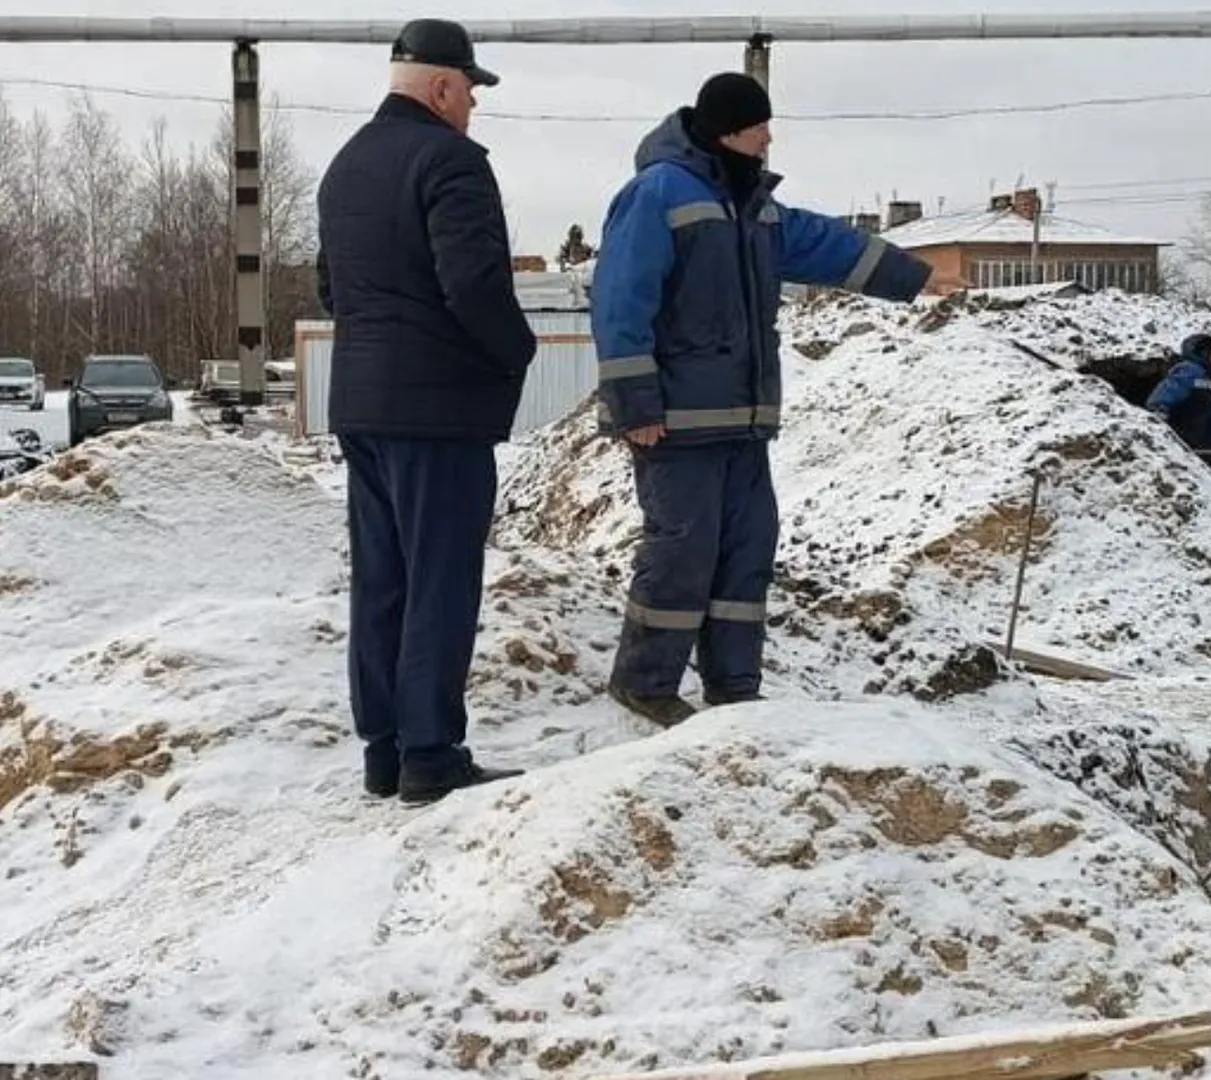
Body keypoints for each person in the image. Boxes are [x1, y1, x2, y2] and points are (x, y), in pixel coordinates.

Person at [592, 72, 968, 727]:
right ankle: (645, 682)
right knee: (683, 551)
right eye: (761, 125)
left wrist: (919, 276)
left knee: (747, 550)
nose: (770, 137)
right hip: (676, 422)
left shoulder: (756, 207)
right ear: (730, 129)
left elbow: (828, 244)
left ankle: (734, 686)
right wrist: (635, 407)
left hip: (743, 420)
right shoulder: (657, 194)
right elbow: (622, 301)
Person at [315, 18, 537, 803]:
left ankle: (385, 750)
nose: (473, 106)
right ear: (442, 86)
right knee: (441, 582)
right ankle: (433, 755)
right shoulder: (451, 162)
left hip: (363, 405)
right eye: (471, 90)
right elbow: (474, 285)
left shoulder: (346, 166)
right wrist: (519, 353)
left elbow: (331, 292)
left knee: (384, 580)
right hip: (438, 412)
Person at [1145, 326, 1211, 453]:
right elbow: (1158, 403)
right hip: (1182, 452)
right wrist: (1166, 442)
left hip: (1207, 453)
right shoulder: (1191, 372)